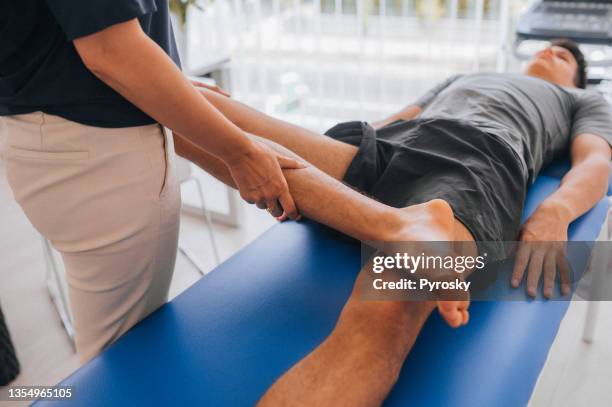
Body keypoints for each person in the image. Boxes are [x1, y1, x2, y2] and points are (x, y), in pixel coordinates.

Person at [174, 39, 612, 405]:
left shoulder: (581, 99)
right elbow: (401, 118)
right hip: (383, 149)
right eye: (551, 46)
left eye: (566, 57)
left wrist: (554, 213)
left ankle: (428, 224)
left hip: (470, 161)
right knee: (192, 113)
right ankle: (404, 220)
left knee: (383, 312)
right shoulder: (468, 75)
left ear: (575, 79)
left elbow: (595, 161)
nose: (553, 51)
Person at [0, 0, 301, 363]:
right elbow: (109, 49)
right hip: (94, 149)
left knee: (119, 350)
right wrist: (242, 154)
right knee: (120, 358)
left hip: (55, 137)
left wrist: (166, 78)